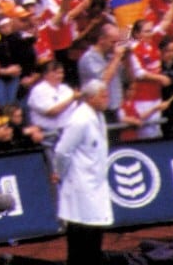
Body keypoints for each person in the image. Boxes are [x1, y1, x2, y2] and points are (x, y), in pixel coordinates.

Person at [54, 80, 113, 264]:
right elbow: (62, 151)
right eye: (103, 96)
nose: (107, 99)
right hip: (81, 187)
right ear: (90, 97)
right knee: (81, 243)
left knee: (95, 240)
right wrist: (61, 173)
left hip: (95, 185)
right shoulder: (79, 120)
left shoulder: (98, 116)